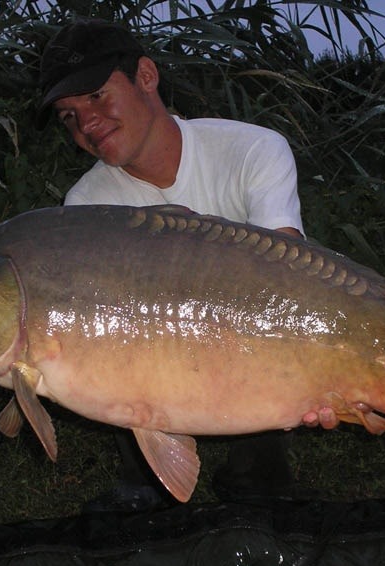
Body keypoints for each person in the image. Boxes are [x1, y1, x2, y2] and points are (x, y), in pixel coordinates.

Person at [37, 19, 339, 510]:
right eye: (69, 116)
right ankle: (144, 483)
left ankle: (258, 478)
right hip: (152, 358)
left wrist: (323, 376)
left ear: (147, 77)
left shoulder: (252, 149)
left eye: (96, 96)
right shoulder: (88, 205)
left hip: (261, 340)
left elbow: (289, 284)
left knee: (259, 329)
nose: (86, 124)